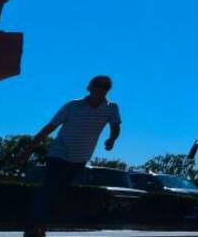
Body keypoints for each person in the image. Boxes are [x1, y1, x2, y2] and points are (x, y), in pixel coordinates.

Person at [18, 75, 122, 237]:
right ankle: (33, 228)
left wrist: (112, 139)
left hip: (80, 158)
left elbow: (115, 126)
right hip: (58, 153)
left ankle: (41, 225)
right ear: (89, 88)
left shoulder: (111, 108)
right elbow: (50, 127)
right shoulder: (72, 106)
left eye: (104, 88)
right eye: (97, 86)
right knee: (48, 188)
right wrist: (28, 149)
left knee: (58, 193)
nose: (100, 90)